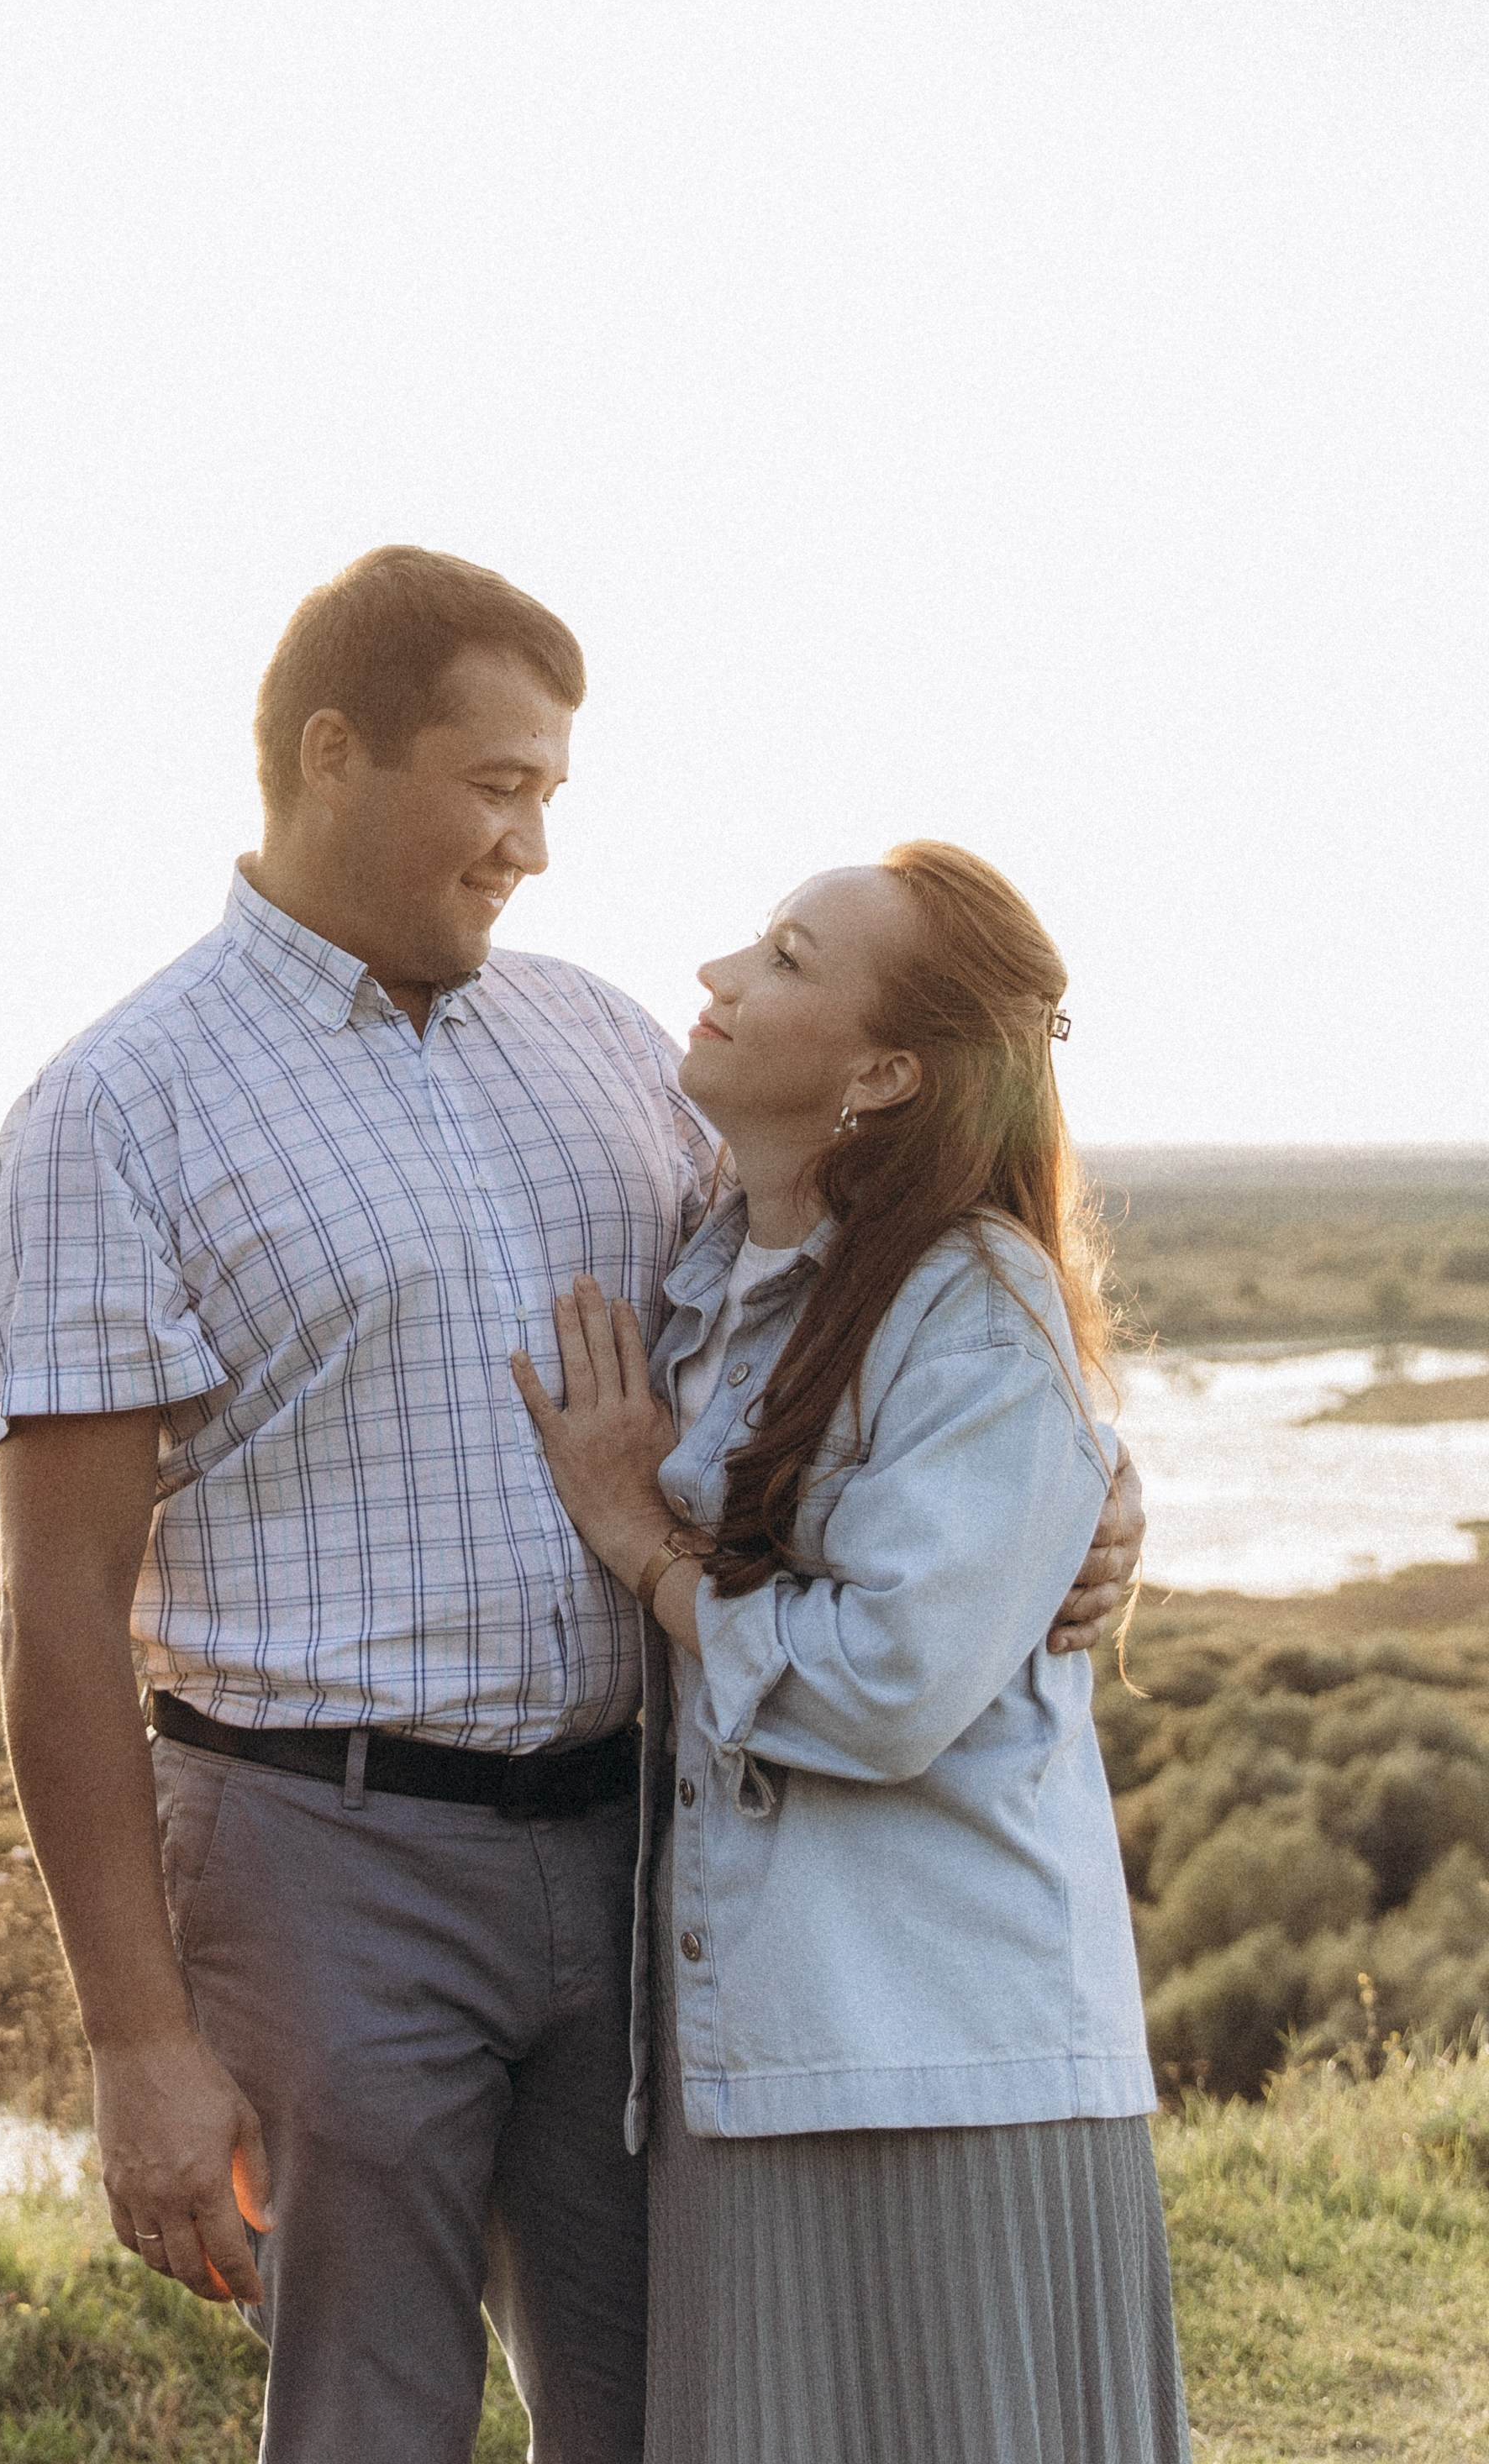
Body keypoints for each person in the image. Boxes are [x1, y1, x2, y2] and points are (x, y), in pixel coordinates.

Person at [0, 550, 1147, 2464]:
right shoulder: (122, 1109)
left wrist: (1087, 1490)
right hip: (324, 1852)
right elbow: (54, 1609)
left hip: (643, 1862)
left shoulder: (607, 1047)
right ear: (334, 755)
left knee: (669, 2405)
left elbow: (876, 1301)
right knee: (373, 2414)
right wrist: (136, 2045)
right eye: (498, 785)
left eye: (552, 797)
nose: (532, 845)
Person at [511, 842, 1188, 2464]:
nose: (721, 974)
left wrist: (644, 1546)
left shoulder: (977, 1300)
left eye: (789, 958)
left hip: (951, 2060)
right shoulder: (701, 1279)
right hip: (746, 2053)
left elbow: (888, 1684)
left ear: (887, 1072)